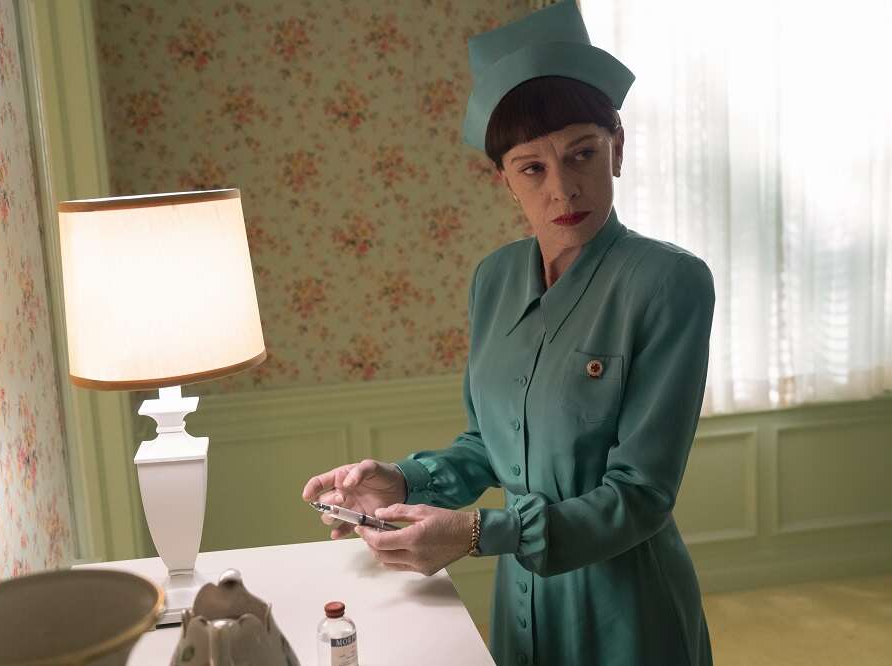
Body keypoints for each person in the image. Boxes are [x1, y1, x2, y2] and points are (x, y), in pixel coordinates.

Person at [302, 1, 714, 664]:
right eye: (532, 168)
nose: (563, 188)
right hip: (520, 599)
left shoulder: (670, 283)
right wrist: (402, 481)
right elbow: (490, 447)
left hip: (625, 607)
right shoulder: (493, 279)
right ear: (505, 181)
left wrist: (478, 533)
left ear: (617, 147)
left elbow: (642, 496)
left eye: (582, 153)